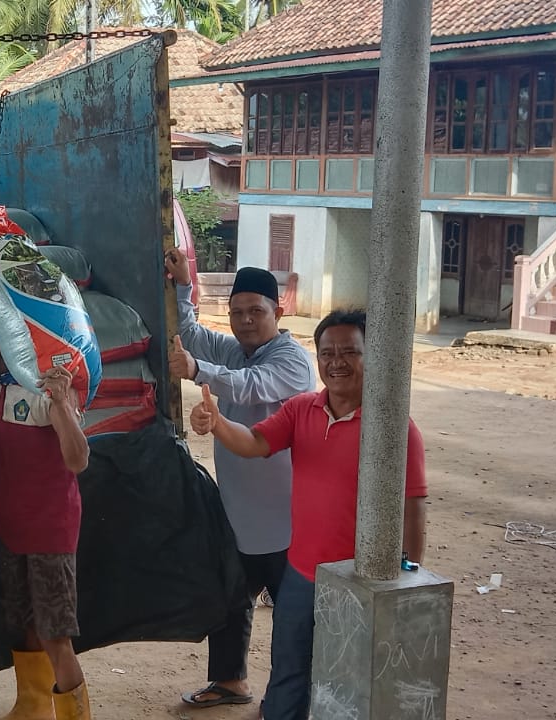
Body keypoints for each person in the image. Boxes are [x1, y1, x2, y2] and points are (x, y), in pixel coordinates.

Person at [188, 309, 428, 720]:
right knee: (289, 671)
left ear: (373, 356)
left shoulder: (394, 429)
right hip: (300, 574)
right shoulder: (301, 410)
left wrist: (408, 574)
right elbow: (254, 442)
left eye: (350, 351)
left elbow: (414, 504)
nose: (337, 362)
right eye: (327, 352)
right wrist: (217, 423)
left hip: (361, 580)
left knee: (352, 679)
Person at [163, 252, 315, 710]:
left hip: (286, 521)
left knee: (294, 621)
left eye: (256, 312)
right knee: (228, 600)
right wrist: (183, 287)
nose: (246, 321)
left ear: (279, 312)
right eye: (237, 312)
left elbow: (249, 385)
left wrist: (196, 371)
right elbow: (190, 336)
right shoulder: (236, 349)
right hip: (238, 513)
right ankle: (230, 681)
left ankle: (297, 700)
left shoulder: (293, 362)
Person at [0, 305, 93, 720]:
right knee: (24, 624)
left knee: (55, 633)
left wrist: (61, 404)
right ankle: (33, 705)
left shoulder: (41, 389)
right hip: (11, 528)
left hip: (49, 530)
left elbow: (78, 459)